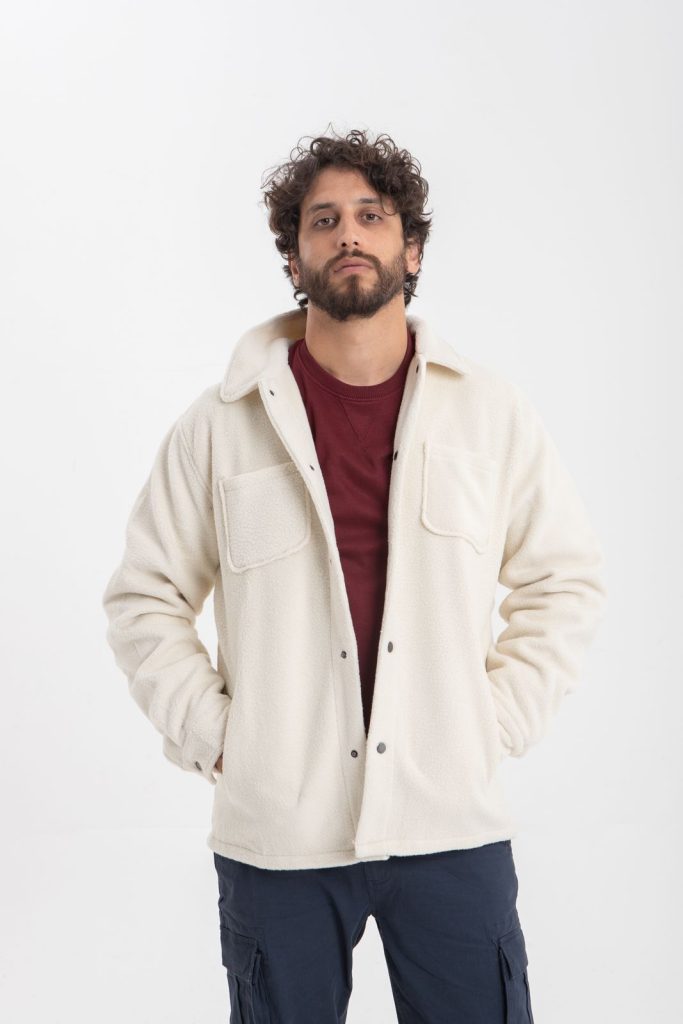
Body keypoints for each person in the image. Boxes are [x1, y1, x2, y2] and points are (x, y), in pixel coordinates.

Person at [102, 127, 607, 1022]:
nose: (348, 235)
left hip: (450, 823)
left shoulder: (487, 413)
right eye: (323, 219)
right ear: (293, 259)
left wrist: (488, 724)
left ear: (411, 249)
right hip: (279, 836)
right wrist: (220, 737)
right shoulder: (218, 426)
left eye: (371, 217)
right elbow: (145, 596)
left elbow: (560, 580)